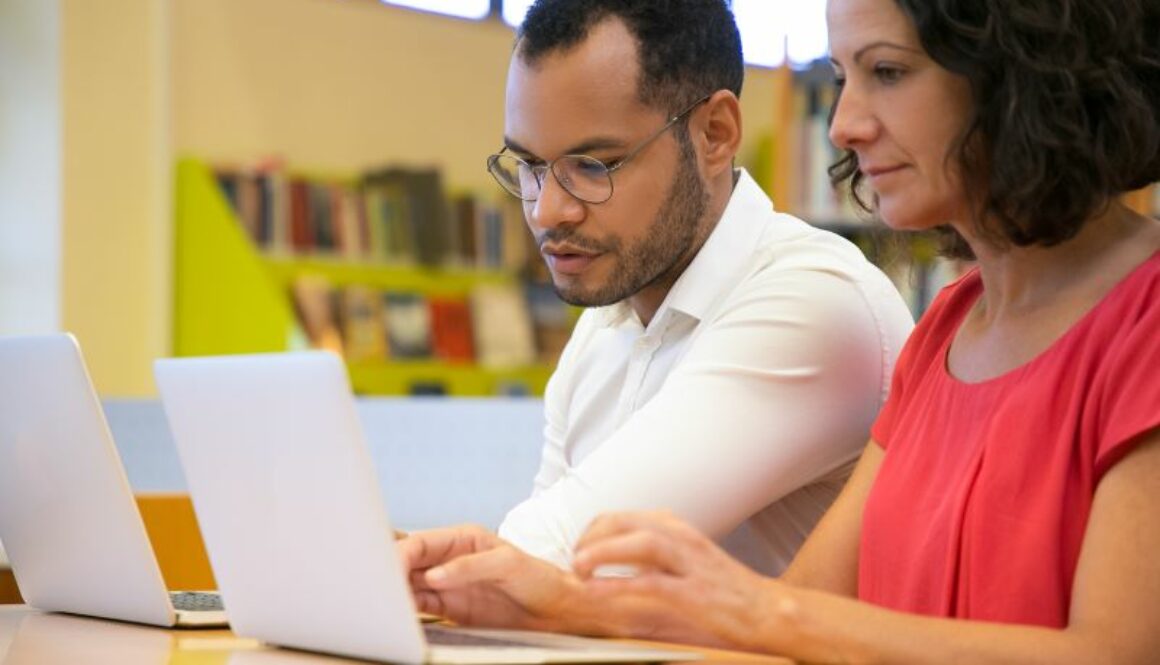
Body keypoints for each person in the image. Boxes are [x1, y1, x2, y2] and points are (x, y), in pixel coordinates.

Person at [400, 0, 1160, 661]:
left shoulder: (1141, 322)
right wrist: (562, 603)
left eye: (887, 73)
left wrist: (746, 609)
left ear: (1019, 69)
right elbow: (789, 631)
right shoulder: (948, 332)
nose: (846, 125)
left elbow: (1115, 654)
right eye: (842, 77)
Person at [480, 0, 914, 575]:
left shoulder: (814, 301)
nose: (546, 211)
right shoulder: (605, 326)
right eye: (531, 165)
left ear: (716, 133)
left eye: (593, 165)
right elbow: (536, 561)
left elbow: (570, 557)